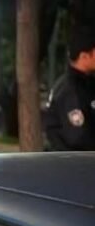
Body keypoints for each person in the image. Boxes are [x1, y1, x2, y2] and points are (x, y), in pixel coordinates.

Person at [44, 23, 95, 151]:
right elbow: (78, 138)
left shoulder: (87, 84)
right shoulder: (69, 90)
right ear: (84, 56)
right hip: (74, 161)